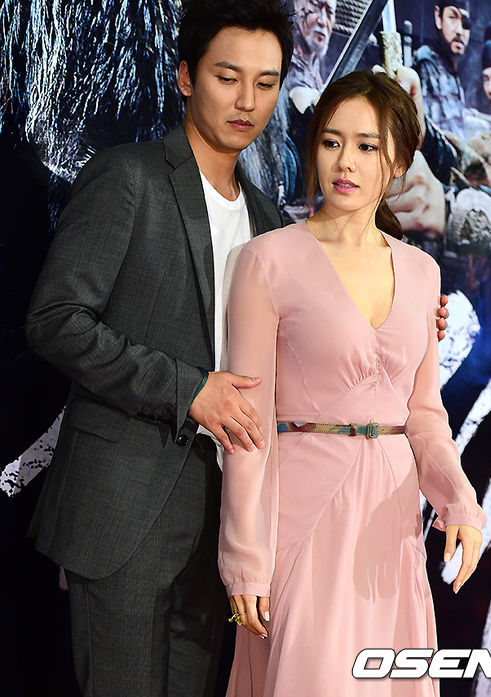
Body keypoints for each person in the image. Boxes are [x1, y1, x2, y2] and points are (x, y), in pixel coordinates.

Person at [23, 1, 293, 695]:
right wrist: (188, 388)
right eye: (228, 77)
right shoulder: (129, 176)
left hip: (225, 517)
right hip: (125, 509)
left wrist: (413, 322)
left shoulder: (270, 221)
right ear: (185, 76)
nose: (247, 100)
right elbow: (55, 318)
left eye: (266, 83)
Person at [218, 71, 486, 697]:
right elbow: (247, 427)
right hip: (301, 515)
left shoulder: (421, 271)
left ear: (398, 162)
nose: (345, 162)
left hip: (390, 522)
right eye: (331, 141)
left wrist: (458, 501)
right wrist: (245, 557)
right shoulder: (266, 260)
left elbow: (424, 416)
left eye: (367, 146)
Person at [413, 2, 471, 138]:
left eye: (465, 23)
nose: (459, 30)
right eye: (452, 17)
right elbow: (434, 133)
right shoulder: (427, 62)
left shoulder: (452, 69)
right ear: (438, 17)